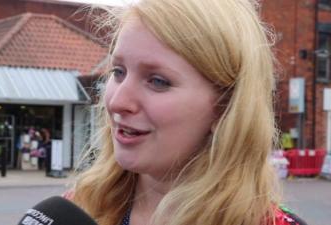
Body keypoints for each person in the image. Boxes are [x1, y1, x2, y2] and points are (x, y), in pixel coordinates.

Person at [66, 0, 307, 225]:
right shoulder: (77, 209)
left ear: (225, 106)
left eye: (158, 81)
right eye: (118, 72)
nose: (118, 102)